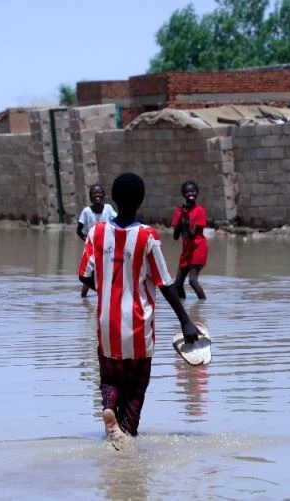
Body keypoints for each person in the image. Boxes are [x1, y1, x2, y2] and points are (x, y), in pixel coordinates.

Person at [78, 172, 199, 449]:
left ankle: (109, 409)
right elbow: (165, 283)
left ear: (113, 199)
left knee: (110, 378)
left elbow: (84, 275)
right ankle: (126, 435)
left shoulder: (96, 233)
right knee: (136, 387)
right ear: (141, 200)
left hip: (107, 326)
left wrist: (107, 288)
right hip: (138, 327)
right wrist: (185, 321)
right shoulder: (147, 236)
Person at [76, 184, 117, 297]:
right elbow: (78, 231)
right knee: (88, 273)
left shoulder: (108, 209)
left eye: (99, 193)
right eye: (94, 194)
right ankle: (84, 297)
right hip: (92, 249)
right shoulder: (86, 211)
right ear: (90, 197)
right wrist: (87, 241)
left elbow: (117, 221)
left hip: (107, 248)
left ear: (104, 195)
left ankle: (106, 294)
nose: (97, 195)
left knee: (107, 271)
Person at [171, 180, 208, 300]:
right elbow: (176, 236)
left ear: (197, 193)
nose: (190, 194)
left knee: (192, 280)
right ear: (183, 194)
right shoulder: (179, 212)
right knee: (177, 284)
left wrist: (187, 221)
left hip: (198, 248)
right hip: (186, 250)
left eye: (193, 191)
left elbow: (192, 234)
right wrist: (181, 219)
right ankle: (182, 305)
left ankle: (203, 304)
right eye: (187, 192)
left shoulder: (200, 211)